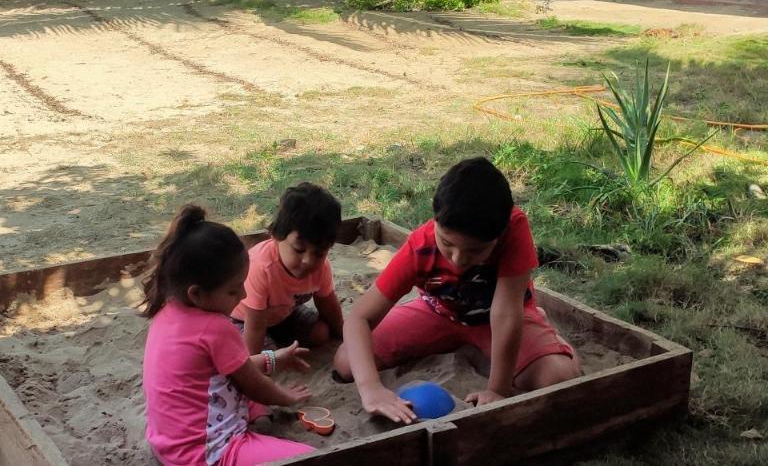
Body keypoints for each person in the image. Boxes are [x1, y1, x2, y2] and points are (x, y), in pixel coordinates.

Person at [334, 157, 581, 424]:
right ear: (435, 221)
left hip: (500, 317)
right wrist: (371, 389)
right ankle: (467, 342)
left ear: (498, 235)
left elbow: (506, 313)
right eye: (447, 243)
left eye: (475, 250)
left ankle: (546, 331)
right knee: (347, 361)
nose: (458, 259)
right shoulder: (420, 246)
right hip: (438, 313)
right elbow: (359, 318)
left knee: (558, 376)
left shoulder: (515, 228)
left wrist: (497, 390)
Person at [142, 205, 316, 466]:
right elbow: (254, 384)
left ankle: (257, 423)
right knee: (310, 458)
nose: (243, 297)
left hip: (167, 446)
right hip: (209, 452)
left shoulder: (167, 310)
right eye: (234, 292)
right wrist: (286, 397)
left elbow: (229, 369)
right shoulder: (216, 328)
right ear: (197, 293)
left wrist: (275, 358)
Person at [233, 183, 344, 355]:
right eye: (299, 250)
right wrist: (255, 367)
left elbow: (328, 304)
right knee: (269, 357)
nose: (308, 261)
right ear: (276, 236)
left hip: (284, 316)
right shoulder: (261, 267)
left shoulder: (321, 268)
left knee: (322, 334)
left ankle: (279, 341)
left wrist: (344, 335)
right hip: (243, 320)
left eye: (319, 253)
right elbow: (255, 326)